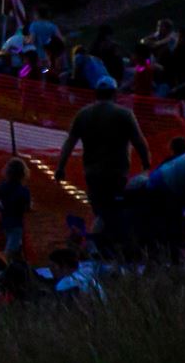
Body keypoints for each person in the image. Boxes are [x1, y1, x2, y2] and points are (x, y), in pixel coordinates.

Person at [57, 75, 152, 244]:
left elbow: (69, 143)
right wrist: (146, 164)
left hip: (92, 173)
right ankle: (109, 245)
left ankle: (101, 244)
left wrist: (61, 167)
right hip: (117, 172)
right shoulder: (123, 114)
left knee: (101, 210)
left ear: (96, 93)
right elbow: (139, 141)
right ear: (114, 93)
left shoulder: (83, 114)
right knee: (114, 210)